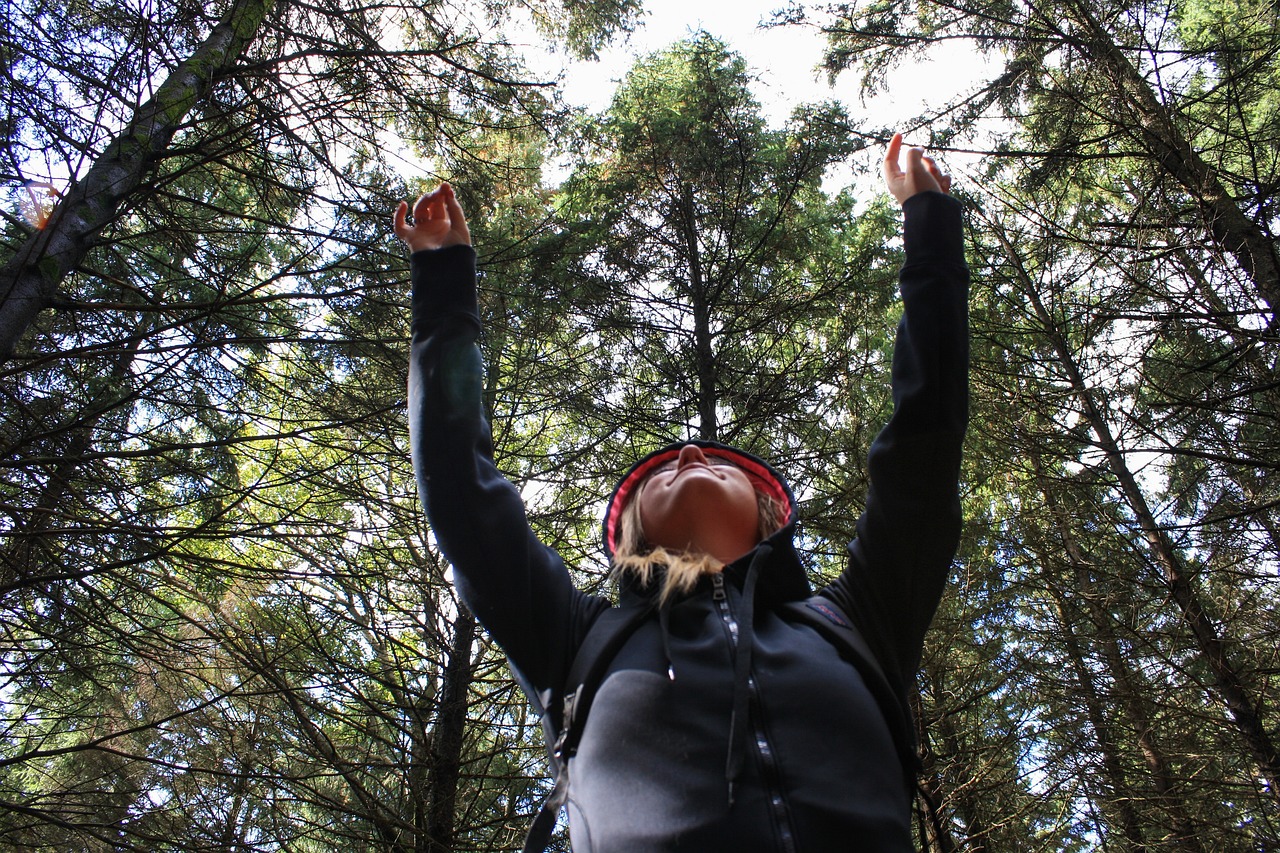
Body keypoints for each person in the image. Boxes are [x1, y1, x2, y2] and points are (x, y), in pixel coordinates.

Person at [396, 132, 969, 852]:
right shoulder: (576, 640)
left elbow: (928, 438)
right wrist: (443, 281)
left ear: (770, 516)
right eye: (661, 468)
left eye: (720, 460)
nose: (693, 451)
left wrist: (931, 231)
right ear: (630, 529)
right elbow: (459, 489)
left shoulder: (858, 622)